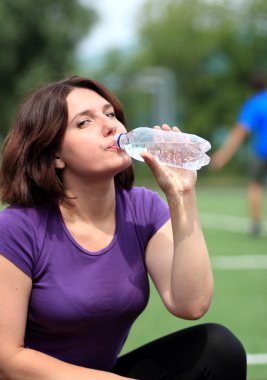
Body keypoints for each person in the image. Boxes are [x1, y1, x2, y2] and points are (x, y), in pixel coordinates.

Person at [0, 75, 246, 380]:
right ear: (55, 156)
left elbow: (190, 303)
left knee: (218, 349)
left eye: (110, 114)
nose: (110, 126)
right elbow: (8, 360)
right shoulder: (17, 228)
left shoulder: (142, 208)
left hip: (103, 374)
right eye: (83, 123)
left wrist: (182, 195)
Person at [211, 72, 267, 236]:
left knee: (255, 184)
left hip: (262, 153)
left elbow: (239, 133)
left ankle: (256, 224)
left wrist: (222, 157)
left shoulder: (254, 104)